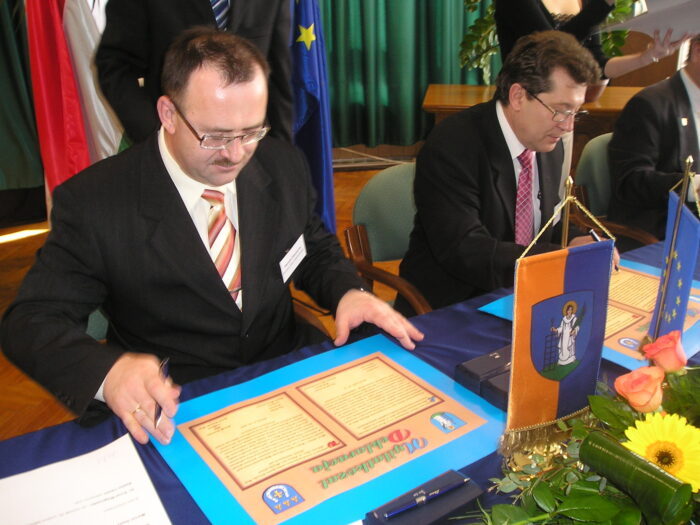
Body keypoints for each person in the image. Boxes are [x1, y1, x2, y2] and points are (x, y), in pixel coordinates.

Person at [0, 28, 423, 446]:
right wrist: (107, 372)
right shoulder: (95, 202)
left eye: (251, 132)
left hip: (286, 374)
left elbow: (311, 246)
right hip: (178, 402)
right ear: (168, 114)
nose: (235, 154)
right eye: (215, 136)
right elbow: (30, 321)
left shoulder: (282, 164)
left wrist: (347, 292)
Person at [397, 31, 606, 314]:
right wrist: (560, 260)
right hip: (452, 306)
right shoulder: (453, 145)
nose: (568, 126)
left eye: (576, 112)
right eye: (561, 110)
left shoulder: (549, 144)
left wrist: (577, 240)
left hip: (524, 297)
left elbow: (548, 223)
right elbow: (466, 251)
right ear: (518, 96)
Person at [96, 0, 293, 143]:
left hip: (250, 149)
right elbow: (116, 65)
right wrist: (156, 137)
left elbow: (277, 75)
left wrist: (280, 155)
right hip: (174, 149)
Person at [608, 34, 700, 245]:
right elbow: (630, 182)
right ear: (697, 51)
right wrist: (694, 186)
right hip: (661, 234)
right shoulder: (649, 105)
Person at [495, 0, 689, 81]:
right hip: (523, 104)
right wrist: (603, 4)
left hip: (563, 110)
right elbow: (551, 48)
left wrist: (648, 56)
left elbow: (598, 65)